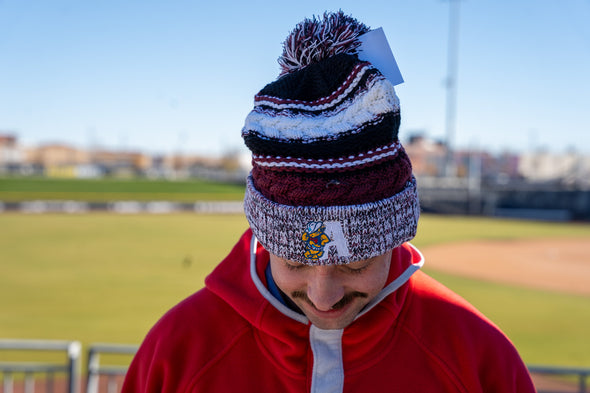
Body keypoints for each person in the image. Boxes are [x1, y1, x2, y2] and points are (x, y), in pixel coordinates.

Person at [122, 11, 536, 393]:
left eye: (355, 264)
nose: (324, 297)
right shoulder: (176, 353)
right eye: (295, 261)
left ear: (394, 237)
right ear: (264, 239)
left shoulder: (480, 359)